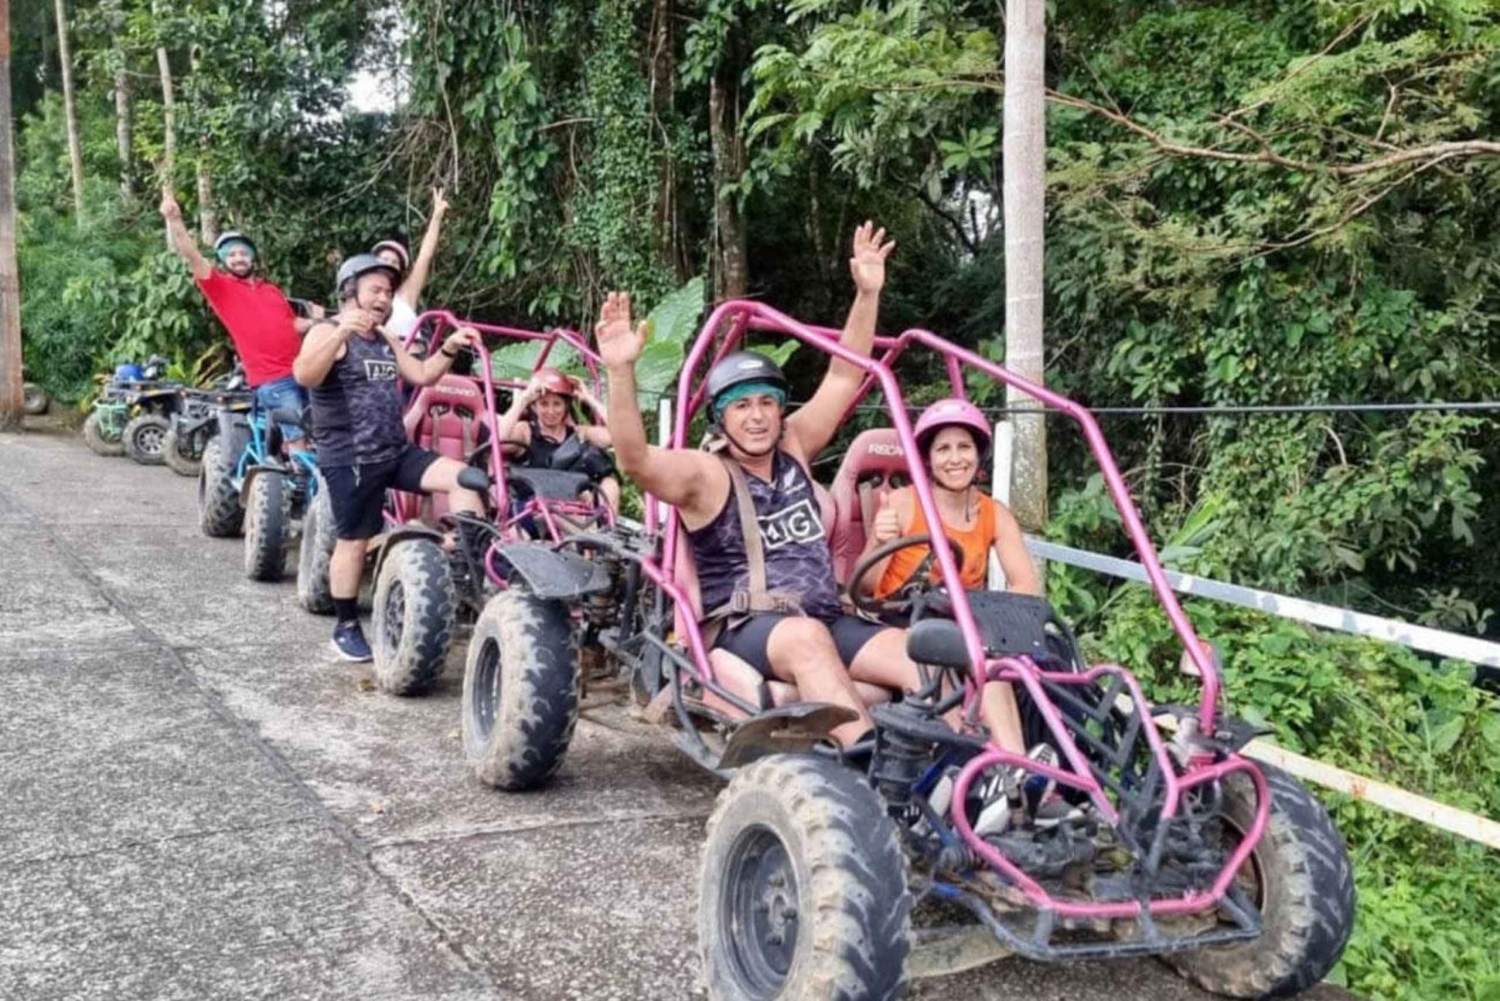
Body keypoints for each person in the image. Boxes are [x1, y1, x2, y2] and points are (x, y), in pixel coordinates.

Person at [596, 222, 1028, 768]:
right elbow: (635, 459)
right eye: (741, 405)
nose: (756, 416)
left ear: (780, 408)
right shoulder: (706, 475)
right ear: (722, 418)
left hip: (829, 616)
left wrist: (867, 294)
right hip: (751, 628)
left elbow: (846, 376)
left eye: (766, 403)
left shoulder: (795, 446)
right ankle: (873, 769)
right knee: (805, 638)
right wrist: (620, 372)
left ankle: (1005, 776)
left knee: (936, 652)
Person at [292, 254, 484, 663]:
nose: (383, 298)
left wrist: (449, 346)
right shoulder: (326, 332)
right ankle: (344, 625)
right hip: (352, 458)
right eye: (374, 290)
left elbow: (421, 375)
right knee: (354, 541)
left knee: (465, 477)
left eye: (388, 292)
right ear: (350, 291)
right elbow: (305, 375)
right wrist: (340, 331)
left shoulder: (383, 338)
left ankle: (467, 568)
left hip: (395, 451)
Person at [160, 187, 321, 449]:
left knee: (321, 429)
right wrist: (175, 221)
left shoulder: (271, 290)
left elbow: (292, 324)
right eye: (232, 254)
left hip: (304, 371)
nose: (238, 258)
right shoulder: (221, 287)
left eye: (243, 253)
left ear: (252, 258)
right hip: (272, 379)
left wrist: (320, 323)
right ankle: (298, 486)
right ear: (224, 260)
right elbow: (192, 255)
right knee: (297, 436)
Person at [858, 397, 1041, 599]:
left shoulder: (995, 514)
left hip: (963, 621)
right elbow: (863, 588)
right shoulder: (901, 503)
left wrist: (997, 618)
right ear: (929, 459)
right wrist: (879, 542)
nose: (955, 459)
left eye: (964, 447)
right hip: (899, 617)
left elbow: (1026, 586)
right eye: (943, 449)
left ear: (979, 454)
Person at [493, 367, 620, 510]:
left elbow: (619, 436)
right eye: (544, 404)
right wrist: (524, 398)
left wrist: (590, 399)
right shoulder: (525, 431)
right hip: (536, 507)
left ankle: (607, 528)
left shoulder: (579, 433)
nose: (551, 411)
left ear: (566, 406)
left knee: (610, 484)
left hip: (577, 508)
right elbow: (498, 441)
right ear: (534, 407)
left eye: (557, 404)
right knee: (567, 503)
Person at [372, 187, 450, 342]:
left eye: (394, 262)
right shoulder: (364, 295)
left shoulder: (406, 294)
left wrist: (436, 217)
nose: (389, 265)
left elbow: (425, 257)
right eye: (385, 260)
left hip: (413, 357)